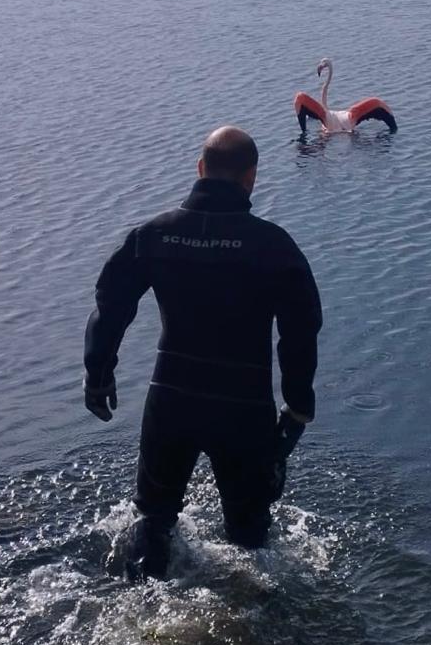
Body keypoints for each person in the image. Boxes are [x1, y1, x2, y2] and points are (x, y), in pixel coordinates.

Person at [83, 125, 322, 579]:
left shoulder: (155, 235)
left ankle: (140, 606)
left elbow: (110, 306)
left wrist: (98, 374)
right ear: (251, 178)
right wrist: (297, 407)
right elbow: (301, 329)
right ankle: (251, 614)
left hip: (170, 398)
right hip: (243, 407)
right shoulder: (273, 246)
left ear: (200, 169)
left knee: (153, 522)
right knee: (250, 541)